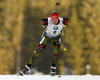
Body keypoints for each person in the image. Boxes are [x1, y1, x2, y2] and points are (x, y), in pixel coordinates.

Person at [19, 11, 69, 76]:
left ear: (58, 19)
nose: (55, 21)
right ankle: (26, 68)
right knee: (36, 53)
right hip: (47, 38)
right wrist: (44, 24)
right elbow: (42, 21)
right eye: (53, 20)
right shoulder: (49, 20)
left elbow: (66, 20)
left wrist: (65, 22)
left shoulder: (61, 21)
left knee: (56, 54)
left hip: (56, 39)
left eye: (56, 19)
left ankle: (53, 70)